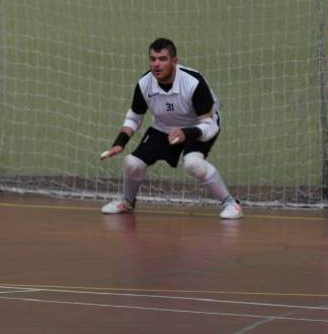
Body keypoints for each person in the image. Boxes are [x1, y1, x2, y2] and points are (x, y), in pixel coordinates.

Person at [99, 37, 242, 219]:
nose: (157, 64)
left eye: (163, 59)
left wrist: (186, 133)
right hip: (164, 127)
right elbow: (134, 118)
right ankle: (127, 202)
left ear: (174, 61)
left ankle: (231, 203)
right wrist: (119, 143)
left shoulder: (193, 82)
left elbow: (210, 125)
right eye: (153, 59)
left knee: (193, 164)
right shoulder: (144, 84)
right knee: (131, 163)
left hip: (197, 126)